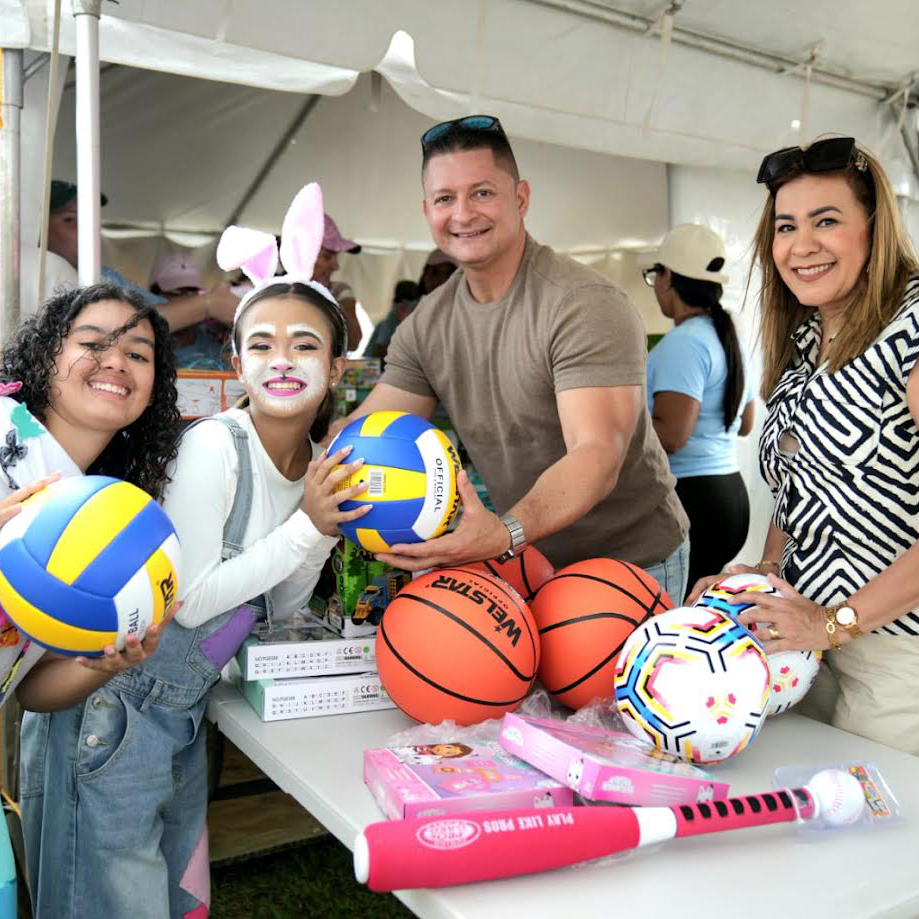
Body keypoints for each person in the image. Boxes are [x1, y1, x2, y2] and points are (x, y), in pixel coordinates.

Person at [19, 185, 366, 918]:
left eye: (305, 345)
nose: (282, 360)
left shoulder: (309, 462)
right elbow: (195, 597)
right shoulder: (217, 446)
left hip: (171, 713)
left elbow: (278, 607)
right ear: (235, 361)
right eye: (262, 344)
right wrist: (307, 527)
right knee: (107, 896)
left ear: (338, 368)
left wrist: (320, 528)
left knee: (163, 894)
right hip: (109, 709)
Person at [339, 115, 689, 600]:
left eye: (482, 192)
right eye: (445, 198)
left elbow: (596, 454)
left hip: (628, 562)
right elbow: (366, 433)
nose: (462, 214)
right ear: (427, 211)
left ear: (520, 198)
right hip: (525, 563)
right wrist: (314, 474)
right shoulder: (426, 325)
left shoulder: (583, 303)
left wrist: (506, 533)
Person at [687, 137, 919, 755]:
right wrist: (757, 581)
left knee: (884, 838)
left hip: (897, 657)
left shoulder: (913, 327)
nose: (802, 245)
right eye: (786, 226)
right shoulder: (806, 337)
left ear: (874, 229)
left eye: (827, 221)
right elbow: (797, 497)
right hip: (804, 646)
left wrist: (832, 622)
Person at [0, 282, 180, 907]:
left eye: (138, 353)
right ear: (47, 356)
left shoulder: (107, 511)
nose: (115, 361)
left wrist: (97, 666)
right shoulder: (2, 432)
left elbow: (31, 687)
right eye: (92, 342)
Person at [644, 224, 755, 589]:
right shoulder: (726, 336)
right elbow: (744, 423)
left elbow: (673, 436)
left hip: (694, 502)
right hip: (729, 496)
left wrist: (613, 422)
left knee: (680, 620)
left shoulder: (684, 343)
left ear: (667, 276)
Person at [42, 180, 239, 332]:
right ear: (38, 226)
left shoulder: (104, 276)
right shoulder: (33, 280)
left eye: (89, 218)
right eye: (70, 220)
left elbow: (154, 309)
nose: (86, 228)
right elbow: (123, 326)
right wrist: (207, 305)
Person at [150, 253, 232, 370]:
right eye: (175, 293)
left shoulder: (217, 346)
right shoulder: (146, 348)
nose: (186, 298)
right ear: (154, 296)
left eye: (192, 293)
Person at [312, 212, 363, 351]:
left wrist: (326, 299)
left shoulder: (339, 291)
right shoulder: (269, 292)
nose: (336, 266)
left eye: (336, 257)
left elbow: (353, 342)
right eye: (327, 257)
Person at [363, 279, 420, 361]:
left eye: (408, 302)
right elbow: (380, 353)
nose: (402, 306)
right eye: (399, 301)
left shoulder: (418, 322)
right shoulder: (390, 322)